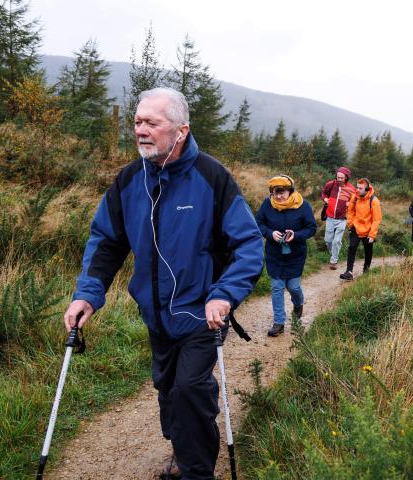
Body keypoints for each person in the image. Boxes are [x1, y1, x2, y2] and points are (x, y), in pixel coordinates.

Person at [62, 88, 263, 480]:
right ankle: (181, 448)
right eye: (137, 122)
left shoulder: (212, 177)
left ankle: (196, 471)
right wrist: (88, 293)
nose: (141, 130)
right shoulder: (128, 181)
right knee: (168, 389)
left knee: (190, 389)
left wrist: (224, 295)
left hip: (202, 313)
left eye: (152, 123)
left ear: (181, 130)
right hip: (155, 315)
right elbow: (107, 240)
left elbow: (248, 244)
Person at [255, 175, 317, 337]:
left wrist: (295, 235)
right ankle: (279, 322)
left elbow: (311, 228)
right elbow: (258, 223)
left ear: (290, 191)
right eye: (275, 192)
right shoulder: (267, 205)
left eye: (282, 192)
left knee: (294, 286)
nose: (279, 196)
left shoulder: (303, 206)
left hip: (295, 254)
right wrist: (269, 233)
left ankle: (298, 304)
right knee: (277, 287)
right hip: (274, 254)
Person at [340, 178, 382, 281]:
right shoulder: (355, 197)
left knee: (368, 251)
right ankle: (349, 272)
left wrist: (372, 235)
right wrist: (350, 224)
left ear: (367, 189)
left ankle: (366, 271)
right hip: (355, 227)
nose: (357, 190)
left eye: (360, 188)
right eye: (357, 187)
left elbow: (376, 219)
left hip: (368, 230)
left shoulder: (374, 201)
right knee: (352, 248)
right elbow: (350, 211)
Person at [321, 167, 356, 269]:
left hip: (342, 219)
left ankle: (334, 261)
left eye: (342, 178)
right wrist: (325, 199)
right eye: (338, 177)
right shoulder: (331, 184)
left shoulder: (351, 189)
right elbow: (323, 193)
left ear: (346, 178)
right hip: (330, 217)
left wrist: (351, 203)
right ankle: (334, 254)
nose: (339, 179)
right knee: (328, 240)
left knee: (336, 241)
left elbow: (356, 200)